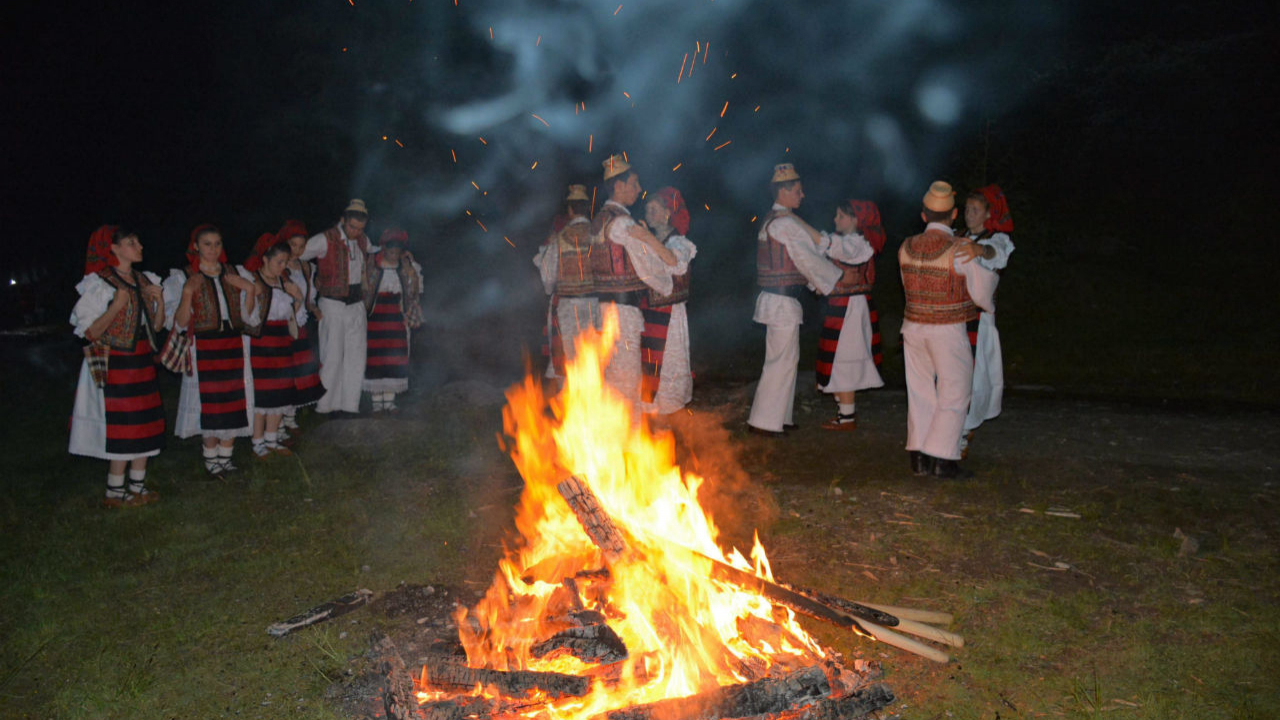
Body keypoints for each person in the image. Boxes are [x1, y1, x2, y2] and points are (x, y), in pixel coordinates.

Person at [898, 181, 997, 478]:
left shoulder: (906, 246)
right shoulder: (960, 249)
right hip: (947, 329)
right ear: (953, 215)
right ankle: (943, 458)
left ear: (924, 215)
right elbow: (982, 290)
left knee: (919, 392)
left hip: (913, 327)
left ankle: (919, 457)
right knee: (954, 391)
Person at [70, 226, 167, 507]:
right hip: (117, 363)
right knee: (124, 427)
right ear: (113, 249)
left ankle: (137, 485)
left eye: (137, 241)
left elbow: (156, 327)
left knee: (146, 423)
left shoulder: (143, 279)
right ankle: (115, 490)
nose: (139, 246)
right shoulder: (100, 283)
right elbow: (89, 332)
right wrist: (116, 305)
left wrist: (158, 302)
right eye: (131, 242)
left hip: (142, 360)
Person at [747, 163, 841, 436]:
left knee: (787, 359)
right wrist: (832, 278)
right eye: (797, 191)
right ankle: (764, 422)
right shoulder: (785, 223)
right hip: (781, 301)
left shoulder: (771, 219)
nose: (802, 195)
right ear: (784, 192)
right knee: (781, 360)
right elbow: (807, 258)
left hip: (780, 300)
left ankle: (781, 417)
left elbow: (797, 260)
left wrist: (816, 282)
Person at [167, 224, 258, 475]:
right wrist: (187, 293)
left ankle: (226, 456)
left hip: (234, 344)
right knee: (209, 402)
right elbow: (180, 323)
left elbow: (249, 318)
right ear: (195, 246)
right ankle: (211, 458)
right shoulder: (183, 277)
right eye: (207, 244)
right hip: (204, 347)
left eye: (217, 243)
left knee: (233, 398)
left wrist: (248, 289)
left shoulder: (233, 272)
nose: (213, 249)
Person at [590, 155, 678, 406]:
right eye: (635, 183)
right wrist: (656, 247)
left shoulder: (599, 219)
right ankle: (625, 440)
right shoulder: (623, 223)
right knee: (626, 380)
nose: (639, 189)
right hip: (622, 312)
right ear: (619, 186)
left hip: (603, 310)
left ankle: (608, 439)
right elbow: (655, 266)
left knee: (610, 376)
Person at [815, 200, 886, 429]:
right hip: (840, 306)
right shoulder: (845, 243)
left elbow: (838, 250)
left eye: (841, 216)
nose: (836, 220)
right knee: (837, 358)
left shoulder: (859, 244)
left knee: (845, 357)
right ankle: (843, 412)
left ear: (856, 220)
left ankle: (847, 416)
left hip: (852, 308)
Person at [300, 199, 375, 416]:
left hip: (356, 304)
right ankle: (325, 406)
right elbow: (298, 256)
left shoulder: (362, 240)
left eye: (360, 228)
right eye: (352, 227)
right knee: (331, 354)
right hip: (332, 304)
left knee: (356, 354)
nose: (355, 232)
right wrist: (312, 281)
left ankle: (350, 405)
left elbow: (374, 251)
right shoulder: (324, 240)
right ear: (343, 220)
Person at [955, 185, 1015, 456]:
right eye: (967, 209)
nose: (969, 214)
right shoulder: (957, 237)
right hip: (954, 317)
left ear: (988, 214)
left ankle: (964, 433)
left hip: (979, 321)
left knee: (975, 377)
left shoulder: (996, 240)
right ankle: (951, 430)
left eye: (975, 210)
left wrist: (979, 251)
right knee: (953, 374)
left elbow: (995, 255)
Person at [243, 239, 307, 456]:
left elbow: (295, 318)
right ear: (265, 260)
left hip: (282, 343)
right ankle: (258, 442)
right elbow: (248, 318)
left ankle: (272, 439)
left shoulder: (284, 282)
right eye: (279, 262)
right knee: (263, 395)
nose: (283, 267)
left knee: (280, 392)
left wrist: (298, 298)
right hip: (262, 344)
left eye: (285, 263)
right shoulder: (253, 281)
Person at [638, 186, 697, 415]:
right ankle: (650, 412)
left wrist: (647, 240)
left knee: (669, 361)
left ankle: (670, 410)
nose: (648, 214)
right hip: (648, 311)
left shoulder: (679, 243)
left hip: (671, 314)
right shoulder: (648, 241)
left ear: (667, 213)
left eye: (654, 210)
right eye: (647, 209)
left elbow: (675, 262)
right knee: (649, 362)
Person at [534, 184, 594, 382]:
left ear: (569, 210)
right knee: (594, 356)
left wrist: (550, 289)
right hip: (597, 306)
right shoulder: (600, 234)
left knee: (569, 357)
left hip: (569, 307)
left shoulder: (559, 239)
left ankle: (572, 403)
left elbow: (548, 278)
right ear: (587, 208)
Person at [362, 228, 424, 412]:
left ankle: (389, 401)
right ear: (383, 249)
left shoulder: (407, 268)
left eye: (397, 251)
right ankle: (376, 403)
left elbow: (415, 291)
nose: (393, 255)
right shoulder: (372, 265)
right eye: (390, 251)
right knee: (375, 360)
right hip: (375, 320)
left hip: (396, 321)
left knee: (394, 359)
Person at [279, 220, 325, 430]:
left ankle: (291, 415)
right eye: (293, 245)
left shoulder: (307, 267)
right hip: (283, 326)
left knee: (300, 370)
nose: (297, 251)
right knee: (285, 373)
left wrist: (313, 307)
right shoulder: (279, 266)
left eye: (301, 246)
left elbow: (309, 297)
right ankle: (279, 419)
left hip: (302, 325)